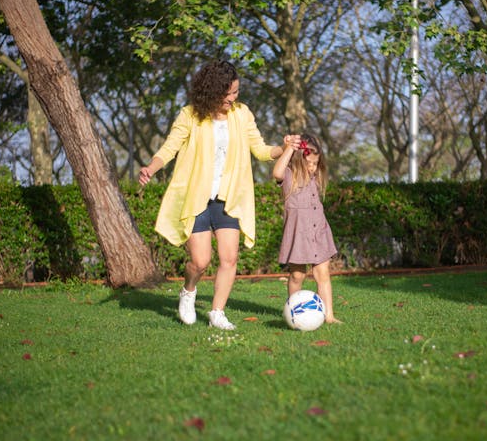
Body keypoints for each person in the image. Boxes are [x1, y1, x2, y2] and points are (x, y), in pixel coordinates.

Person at [139, 59, 300, 328]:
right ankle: (189, 290)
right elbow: (170, 147)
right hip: (197, 197)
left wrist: (283, 148)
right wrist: (152, 167)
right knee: (200, 261)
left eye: (236, 92)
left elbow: (260, 149)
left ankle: (217, 313)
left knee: (229, 258)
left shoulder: (242, 114)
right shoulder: (190, 115)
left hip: (229, 197)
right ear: (213, 91)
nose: (234, 98)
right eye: (229, 93)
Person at [272, 133, 341, 324]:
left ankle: (329, 316)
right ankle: (294, 313)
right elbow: (276, 172)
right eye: (308, 163)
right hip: (298, 233)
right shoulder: (288, 175)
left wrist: (314, 166)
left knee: (323, 273)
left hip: (319, 229)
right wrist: (289, 149)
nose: (312, 167)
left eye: (315, 163)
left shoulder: (315, 177)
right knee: (297, 275)